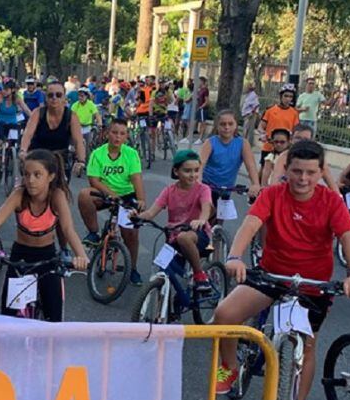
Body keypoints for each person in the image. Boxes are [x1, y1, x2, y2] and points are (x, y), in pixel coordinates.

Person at [213, 140, 350, 400]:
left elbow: (349, 238)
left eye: (311, 172)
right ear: (287, 169)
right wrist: (234, 256)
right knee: (224, 314)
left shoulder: (331, 202)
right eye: (297, 171)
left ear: (322, 171)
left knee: (307, 347)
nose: (303, 179)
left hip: (313, 284)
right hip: (273, 274)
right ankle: (229, 367)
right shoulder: (273, 194)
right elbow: (250, 224)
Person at [0, 149, 88, 321]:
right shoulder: (19, 195)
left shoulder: (56, 196)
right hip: (20, 256)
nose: (30, 180)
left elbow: (68, 229)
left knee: (54, 317)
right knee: (9, 317)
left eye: (38, 175)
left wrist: (81, 256)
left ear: (50, 176)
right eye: (26, 174)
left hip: (48, 256)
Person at [134, 149, 214, 293]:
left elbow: (206, 209)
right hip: (173, 237)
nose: (193, 175)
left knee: (184, 238)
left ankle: (200, 275)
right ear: (176, 171)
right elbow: (151, 212)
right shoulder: (169, 191)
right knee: (162, 270)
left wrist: (201, 220)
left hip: (197, 235)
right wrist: (137, 217)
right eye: (187, 171)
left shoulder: (203, 189)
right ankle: (166, 307)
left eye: (196, 170)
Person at [78, 118, 146, 284]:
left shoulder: (131, 153)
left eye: (122, 134)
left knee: (130, 234)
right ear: (107, 133)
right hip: (106, 194)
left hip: (127, 195)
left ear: (126, 137)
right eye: (114, 132)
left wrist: (141, 199)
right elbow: (94, 180)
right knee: (84, 195)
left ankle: (133, 269)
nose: (117, 137)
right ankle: (93, 233)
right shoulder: (97, 154)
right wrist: (110, 194)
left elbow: (136, 178)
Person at [19, 79, 87, 179]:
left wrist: (81, 161)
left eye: (58, 95)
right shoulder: (38, 113)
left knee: (61, 191)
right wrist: (23, 151)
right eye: (50, 95)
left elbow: (78, 141)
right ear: (46, 98)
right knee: (28, 187)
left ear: (65, 98)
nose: (54, 98)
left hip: (60, 159)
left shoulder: (71, 116)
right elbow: (28, 134)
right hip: (37, 156)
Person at [198, 110, 261, 198]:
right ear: (217, 126)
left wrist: (255, 184)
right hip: (207, 188)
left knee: (226, 211)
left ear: (236, 125)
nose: (227, 127)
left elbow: (251, 166)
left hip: (226, 190)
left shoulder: (243, 143)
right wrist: (198, 181)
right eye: (223, 124)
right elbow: (200, 164)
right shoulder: (210, 142)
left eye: (230, 124)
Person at [0, 79, 33, 152]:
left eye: (6, 89)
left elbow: (26, 110)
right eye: (3, 89)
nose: (4, 91)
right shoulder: (0, 98)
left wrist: (34, 118)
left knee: (13, 143)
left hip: (12, 124)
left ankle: (11, 154)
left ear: (12, 90)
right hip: (0, 123)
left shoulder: (17, 99)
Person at [258, 85, 299, 163]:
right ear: (281, 96)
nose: (288, 99)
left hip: (284, 147)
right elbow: (261, 126)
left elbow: (296, 130)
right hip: (270, 145)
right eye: (286, 96)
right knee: (264, 170)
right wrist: (262, 134)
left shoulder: (294, 113)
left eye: (290, 97)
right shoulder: (270, 110)